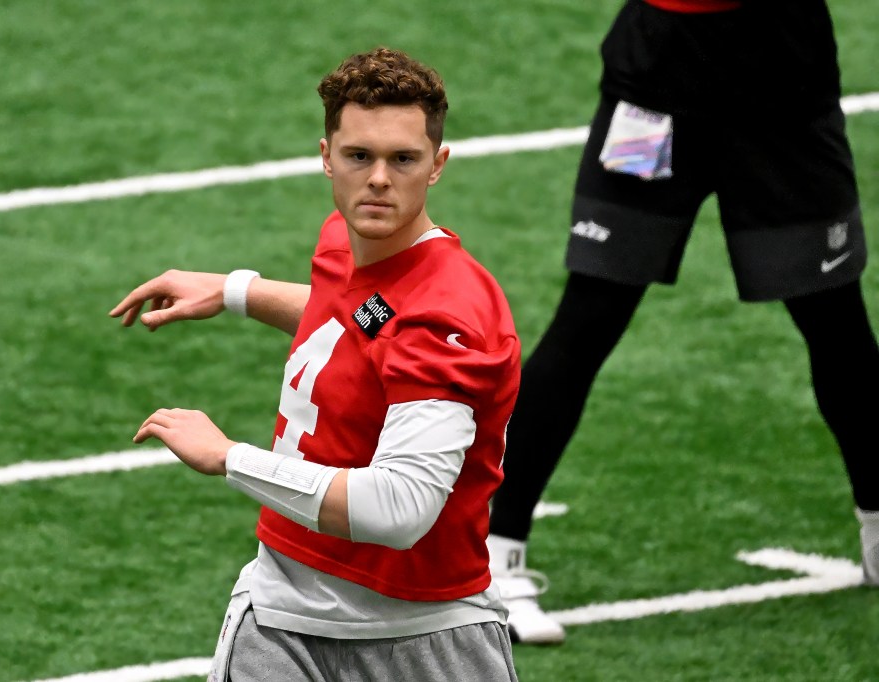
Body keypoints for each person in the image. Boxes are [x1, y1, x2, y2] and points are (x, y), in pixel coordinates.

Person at [109, 47, 523, 681]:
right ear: (326, 155)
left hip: (422, 631)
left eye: (402, 159)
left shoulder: (449, 316)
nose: (378, 179)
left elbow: (399, 509)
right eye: (359, 156)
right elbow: (357, 324)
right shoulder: (345, 243)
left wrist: (230, 457)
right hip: (280, 618)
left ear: (436, 165)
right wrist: (236, 290)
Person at [486, 0, 879, 646]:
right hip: (658, 87)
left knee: (835, 317)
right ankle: (497, 553)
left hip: (784, 86)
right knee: (591, 316)